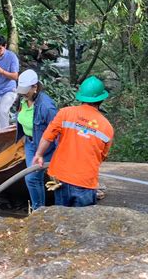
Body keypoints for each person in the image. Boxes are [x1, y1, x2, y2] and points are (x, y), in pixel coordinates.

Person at [32, 76, 114, 207]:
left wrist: (39, 155)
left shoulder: (65, 113)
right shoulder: (107, 127)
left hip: (61, 178)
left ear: (80, 96)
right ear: (101, 99)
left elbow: (48, 136)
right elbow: (101, 156)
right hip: (85, 182)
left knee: (62, 221)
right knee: (83, 223)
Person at [15, 69, 58, 211]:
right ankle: (38, 209)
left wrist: (59, 155)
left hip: (47, 147)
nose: (22, 93)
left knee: (32, 178)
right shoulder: (23, 100)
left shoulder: (47, 107)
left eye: (25, 90)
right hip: (30, 143)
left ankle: (40, 210)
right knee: (34, 179)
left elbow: (58, 131)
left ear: (35, 87)